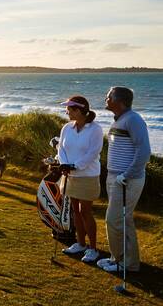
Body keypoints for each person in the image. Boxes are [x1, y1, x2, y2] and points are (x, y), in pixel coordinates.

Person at [97, 86, 151, 274]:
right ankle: (118, 259)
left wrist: (125, 176)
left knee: (116, 220)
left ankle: (127, 264)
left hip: (126, 180)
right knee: (119, 221)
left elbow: (144, 152)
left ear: (119, 101)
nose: (106, 98)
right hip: (116, 177)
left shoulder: (133, 120)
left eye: (108, 96)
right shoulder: (121, 119)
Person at [56, 96, 104, 263]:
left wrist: (75, 166)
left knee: (85, 211)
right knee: (75, 210)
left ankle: (93, 248)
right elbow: (60, 148)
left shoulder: (95, 129)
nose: (66, 112)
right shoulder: (67, 128)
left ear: (78, 110)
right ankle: (80, 243)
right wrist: (64, 164)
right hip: (69, 174)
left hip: (87, 175)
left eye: (69, 109)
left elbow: (93, 153)